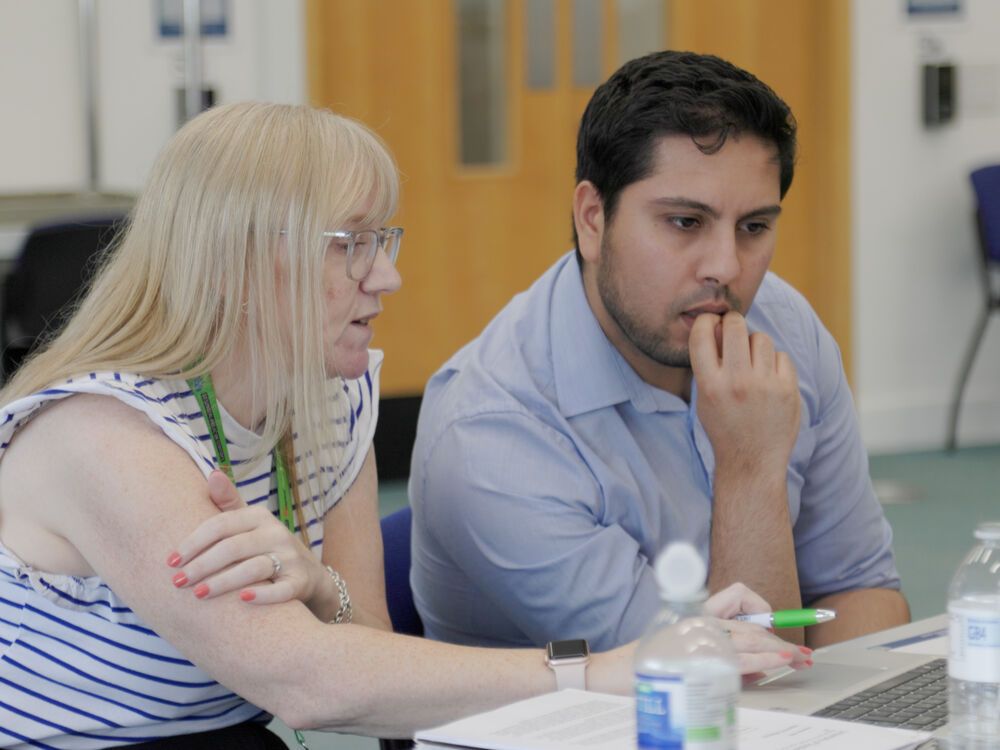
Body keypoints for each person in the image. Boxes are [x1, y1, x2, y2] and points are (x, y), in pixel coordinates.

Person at [0, 101, 806, 749]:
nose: (387, 277)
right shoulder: (101, 433)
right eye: (352, 244)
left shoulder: (327, 400)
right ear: (240, 257)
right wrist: (605, 671)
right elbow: (310, 685)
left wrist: (321, 588)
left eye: (383, 239)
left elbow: (365, 647)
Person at [409, 50, 911, 655]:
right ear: (593, 219)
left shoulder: (784, 325)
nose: (726, 268)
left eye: (754, 227)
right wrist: (750, 467)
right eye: (684, 223)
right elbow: (714, 685)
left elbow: (863, 591)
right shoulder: (492, 433)